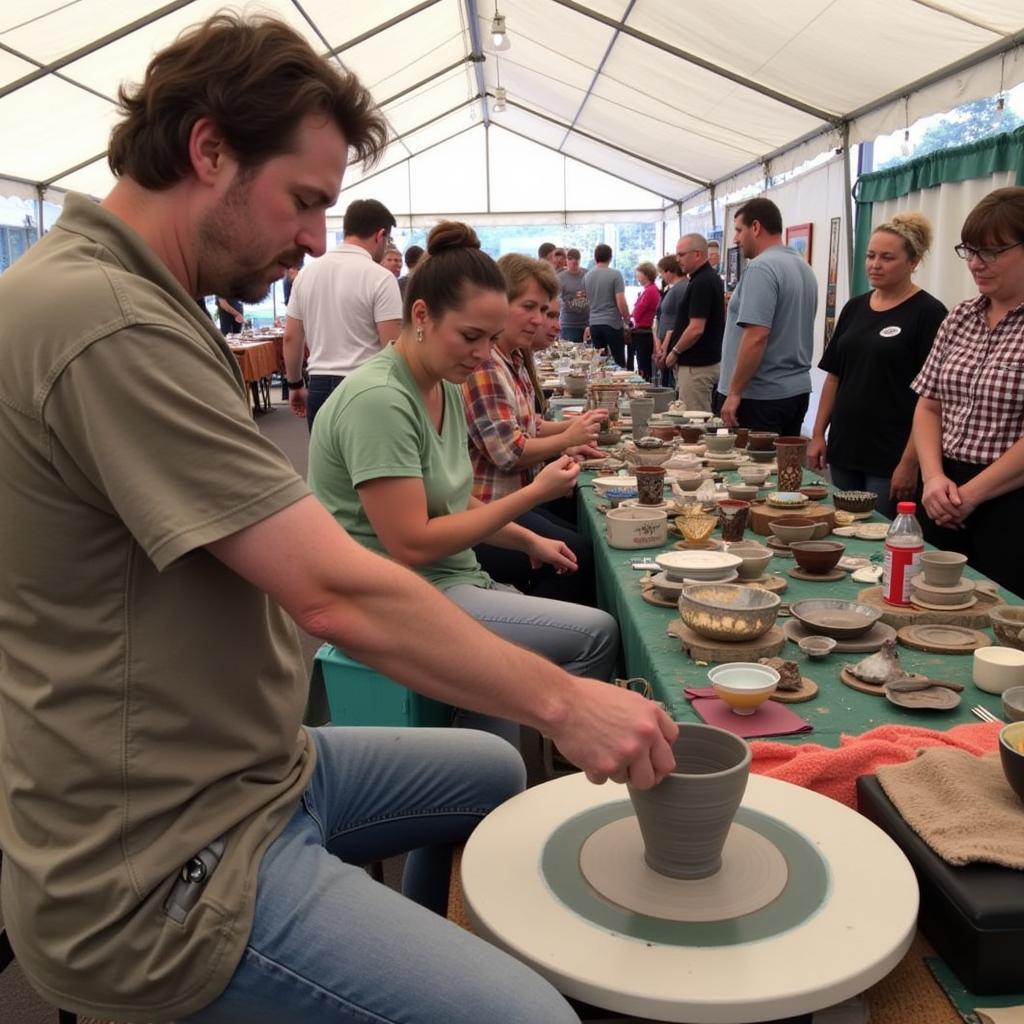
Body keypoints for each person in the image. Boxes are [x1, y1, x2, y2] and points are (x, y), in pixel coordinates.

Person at [0, 14, 677, 1024]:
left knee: (490, 766)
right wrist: (565, 702)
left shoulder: (146, 297)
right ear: (208, 149)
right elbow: (334, 588)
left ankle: (393, 969)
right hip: (164, 870)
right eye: (306, 201)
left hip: (262, 772)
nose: (319, 239)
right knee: (531, 1017)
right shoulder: (106, 320)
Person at [308, 223, 617, 723]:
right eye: (471, 336)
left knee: (521, 670)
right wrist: (533, 494)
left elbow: (450, 498)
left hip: (446, 577)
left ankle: (502, 751)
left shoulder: (443, 382)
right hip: (398, 596)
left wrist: (527, 541)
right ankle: (572, 755)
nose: (481, 354)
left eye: (491, 339)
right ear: (422, 315)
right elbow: (412, 543)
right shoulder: (381, 401)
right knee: (596, 632)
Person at [912, 186, 1024, 595]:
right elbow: (929, 405)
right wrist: (933, 478)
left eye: (991, 252)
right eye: (970, 251)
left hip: (1008, 499)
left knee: (999, 617)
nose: (976, 264)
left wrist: (970, 495)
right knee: (925, 605)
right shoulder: (960, 317)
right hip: (943, 489)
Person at [808, 214, 946, 520]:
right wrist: (819, 432)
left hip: (891, 453)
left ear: (914, 262)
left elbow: (932, 397)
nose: (875, 265)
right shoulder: (855, 307)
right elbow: (835, 375)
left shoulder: (929, 313)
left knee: (878, 534)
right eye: (871, 256)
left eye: (887, 257)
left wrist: (910, 463)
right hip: (845, 447)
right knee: (842, 526)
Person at [463, 254, 606, 503]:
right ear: (498, 303)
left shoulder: (513, 358)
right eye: (529, 307)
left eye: (543, 310)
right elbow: (510, 452)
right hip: (497, 507)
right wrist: (567, 438)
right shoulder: (485, 365)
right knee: (584, 538)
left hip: (521, 497)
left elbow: (528, 425)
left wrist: (574, 430)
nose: (539, 320)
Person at [282, 197, 402, 429]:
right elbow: (392, 345)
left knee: (324, 464)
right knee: (369, 463)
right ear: (380, 235)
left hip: (318, 386)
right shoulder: (381, 278)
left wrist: (295, 384)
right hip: (367, 386)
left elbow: (291, 337)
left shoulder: (306, 275)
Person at [716, 197, 818, 434]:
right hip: (795, 390)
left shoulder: (761, 268)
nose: (735, 239)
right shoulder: (803, 267)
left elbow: (757, 336)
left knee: (750, 469)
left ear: (756, 227)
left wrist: (734, 392)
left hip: (760, 396)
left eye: (739, 230)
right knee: (784, 468)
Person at [665, 234, 725, 412]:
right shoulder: (704, 278)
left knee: (694, 422)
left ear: (697, 254)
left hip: (696, 367)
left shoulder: (702, 282)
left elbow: (696, 328)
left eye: (681, 254)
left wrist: (675, 352)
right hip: (701, 363)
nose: (677, 259)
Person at [585, 243, 630, 366]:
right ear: (610, 257)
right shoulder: (615, 274)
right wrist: (627, 320)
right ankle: (620, 384)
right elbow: (620, 300)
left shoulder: (587, 276)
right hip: (612, 323)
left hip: (594, 323)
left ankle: (601, 384)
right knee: (618, 360)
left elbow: (587, 300)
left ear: (595, 258)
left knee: (600, 361)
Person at [652, 254, 686, 377]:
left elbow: (678, 321)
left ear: (670, 270)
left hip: (672, 344)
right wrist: (658, 345)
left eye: (662, 272)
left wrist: (665, 346)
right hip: (663, 344)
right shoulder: (670, 289)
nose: (661, 275)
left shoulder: (682, 288)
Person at [627, 261, 659, 380]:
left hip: (643, 333)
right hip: (641, 332)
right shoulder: (648, 290)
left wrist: (630, 317)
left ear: (646, 275)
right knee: (642, 363)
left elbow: (638, 313)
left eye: (639, 275)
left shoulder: (650, 291)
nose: (637, 278)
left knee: (643, 365)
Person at [558, 246, 589, 343]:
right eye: (570, 259)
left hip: (587, 323)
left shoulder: (588, 274)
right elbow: (556, 300)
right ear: (566, 260)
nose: (574, 261)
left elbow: (594, 295)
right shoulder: (560, 277)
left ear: (580, 260)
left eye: (576, 259)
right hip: (568, 323)